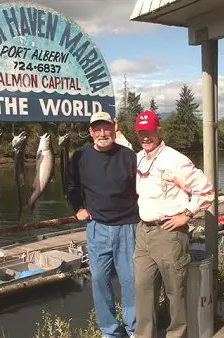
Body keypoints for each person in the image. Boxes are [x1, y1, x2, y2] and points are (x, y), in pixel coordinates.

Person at [133, 110, 214, 338]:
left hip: (169, 234)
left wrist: (186, 215)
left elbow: (206, 190)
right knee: (143, 290)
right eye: (141, 133)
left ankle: (176, 335)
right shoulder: (139, 157)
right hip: (143, 233)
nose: (145, 137)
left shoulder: (175, 159)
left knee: (175, 293)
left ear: (159, 131)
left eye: (149, 131)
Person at [68, 111, 140, 338]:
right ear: (90, 132)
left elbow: (144, 187)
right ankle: (110, 332)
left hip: (128, 226)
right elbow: (71, 186)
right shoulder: (79, 156)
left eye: (106, 128)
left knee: (130, 281)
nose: (102, 133)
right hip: (97, 227)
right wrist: (78, 207)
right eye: (97, 129)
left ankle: (134, 329)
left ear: (114, 128)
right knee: (99, 280)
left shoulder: (129, 155)